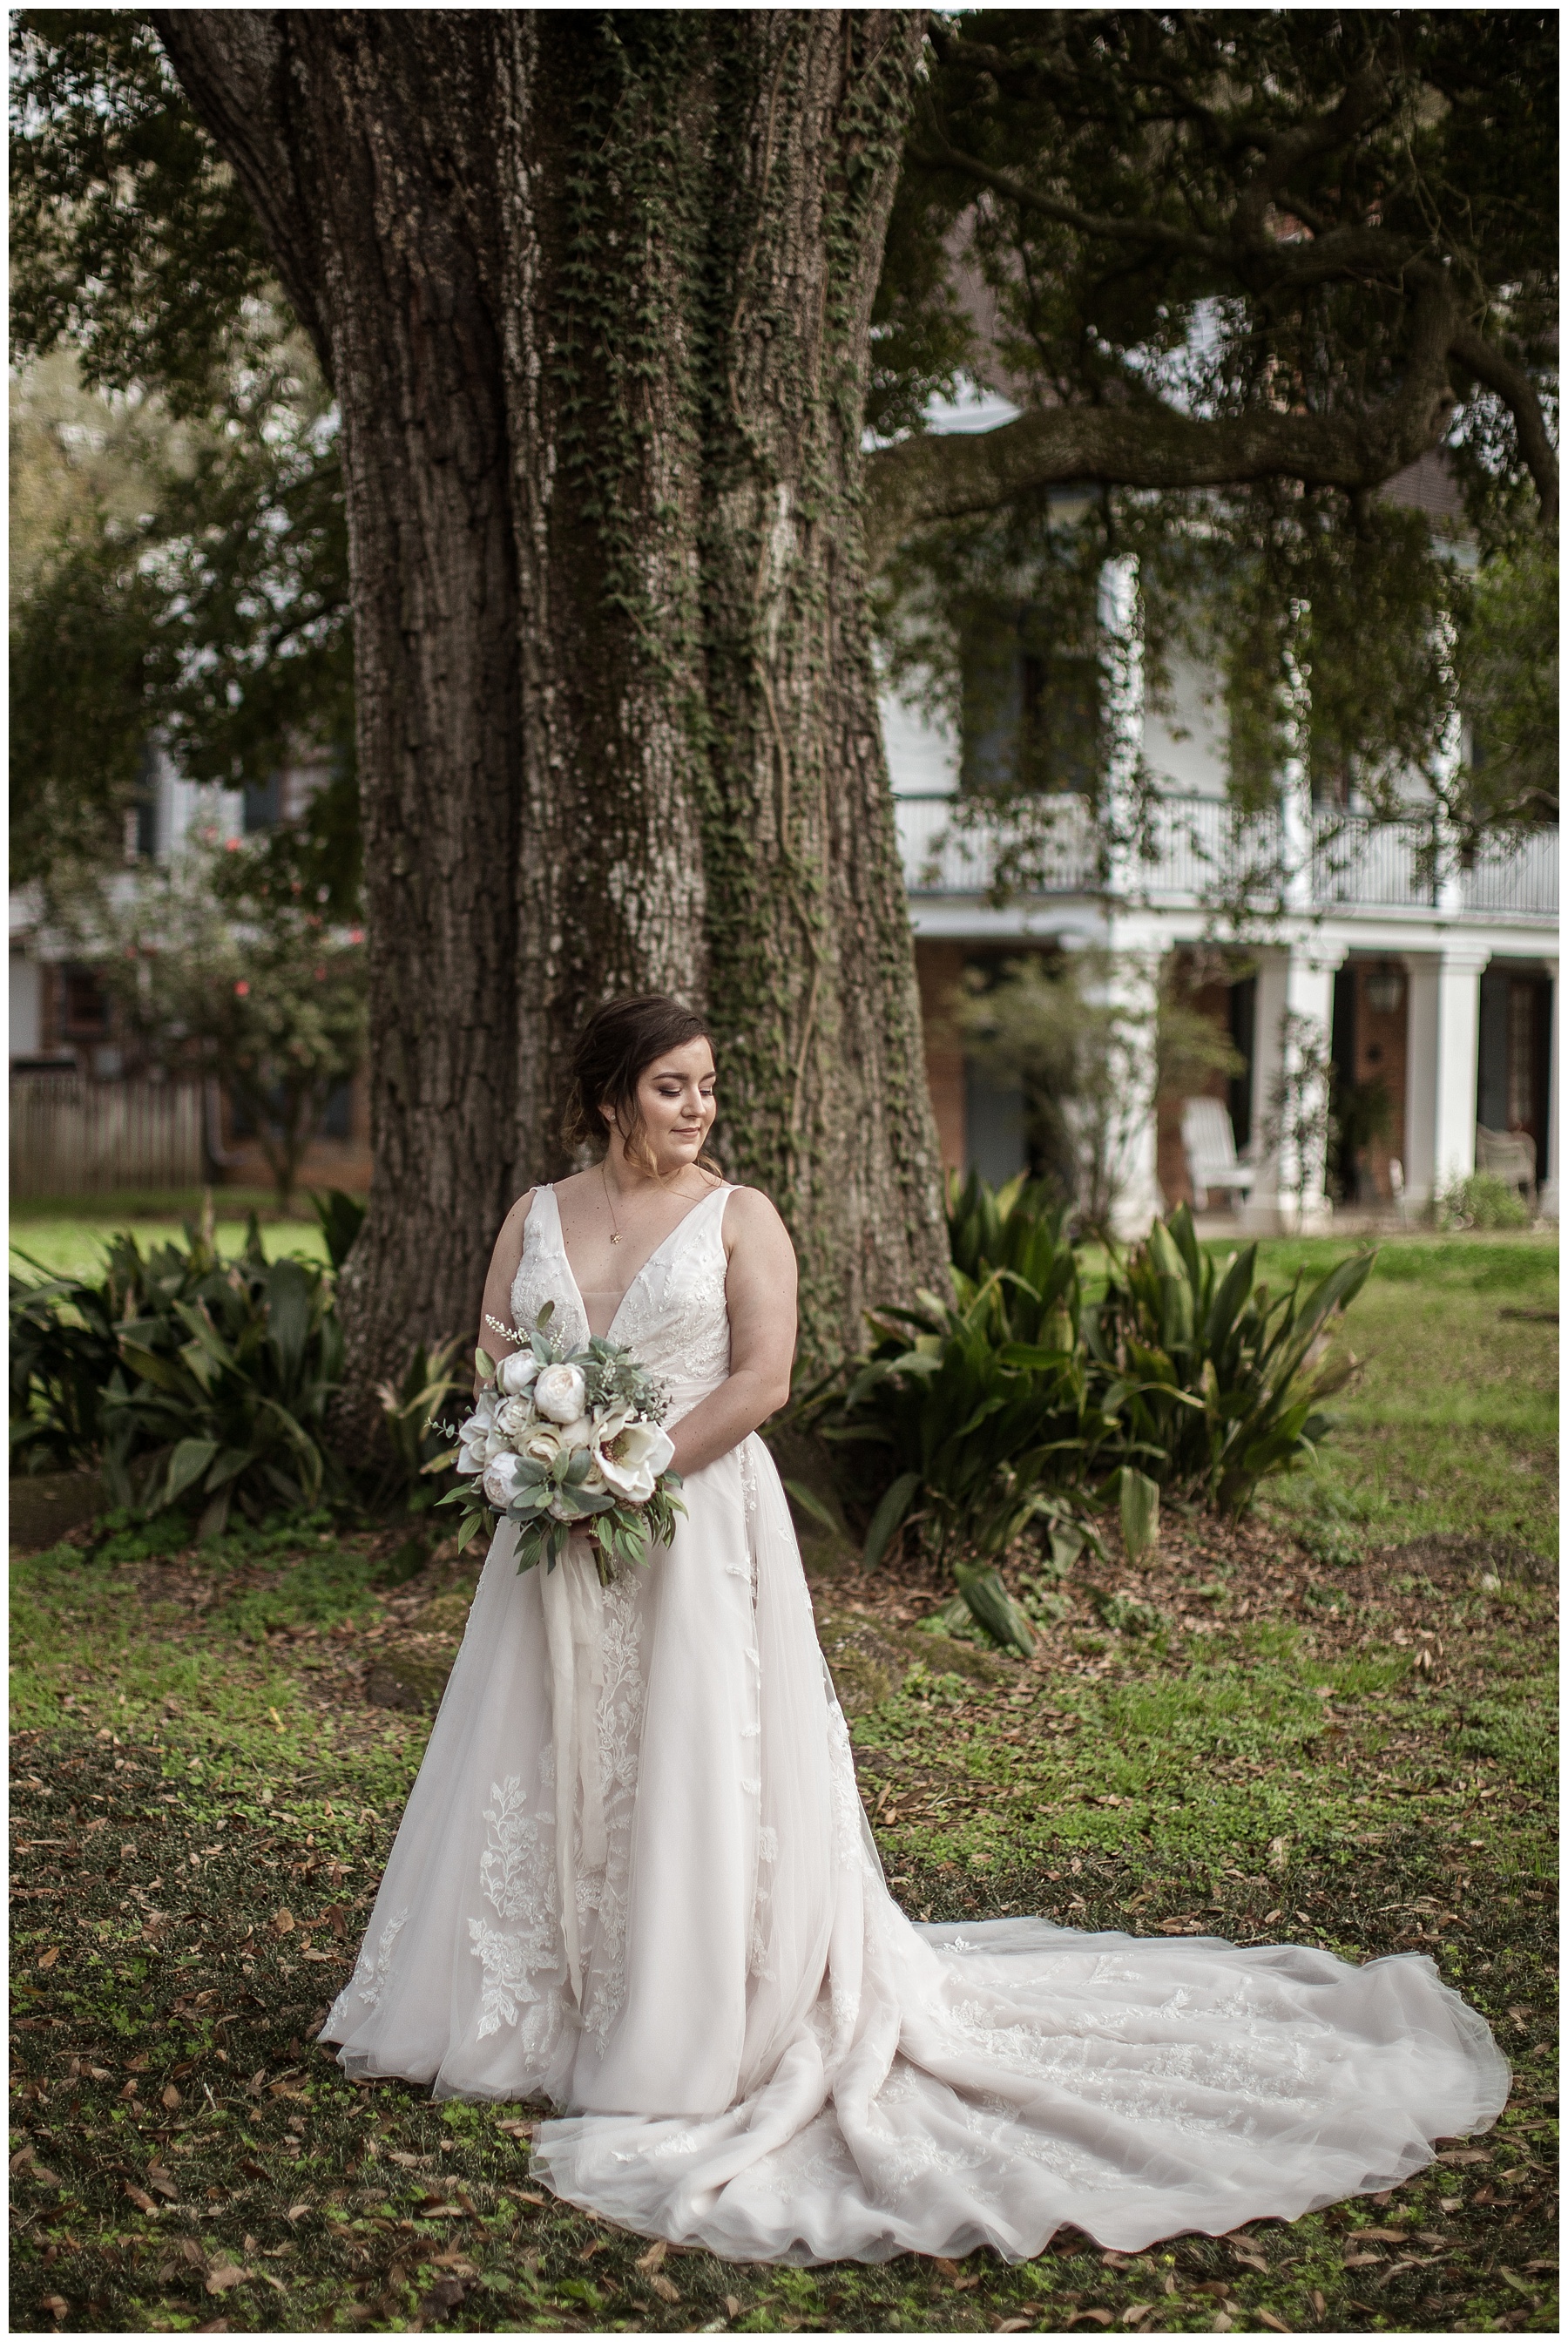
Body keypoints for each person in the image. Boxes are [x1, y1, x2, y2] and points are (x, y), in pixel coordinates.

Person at [322, 993, 1508, 2264]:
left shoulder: (740, 1217)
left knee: (691, 1757)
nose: (700, 1105)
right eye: (673, 1085)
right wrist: (530, 1450)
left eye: (709, 1083)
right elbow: (496, 1357)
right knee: (542, 1748)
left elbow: (763, 1380)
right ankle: (525, 2006)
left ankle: (683, 2013)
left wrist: (629, 1470)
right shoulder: (533, 1214)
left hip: (691, 1524)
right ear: (611, 1094)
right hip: (551, 1531)